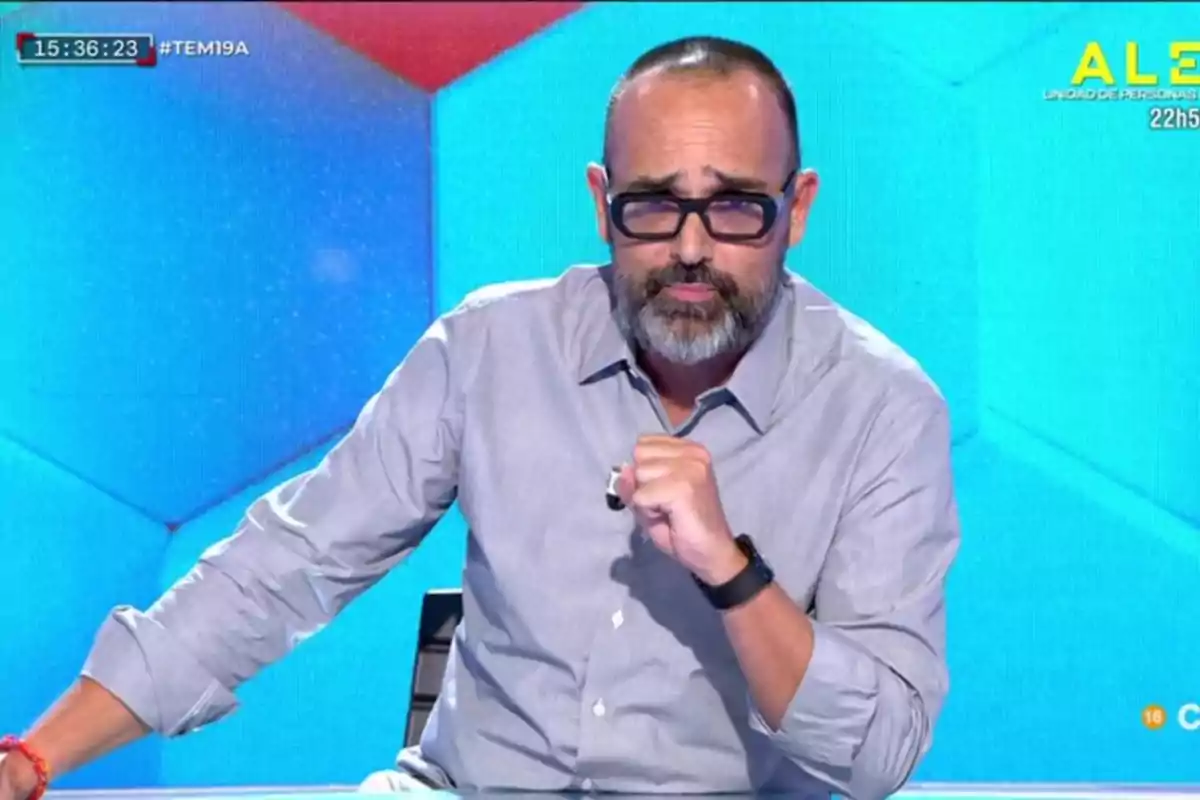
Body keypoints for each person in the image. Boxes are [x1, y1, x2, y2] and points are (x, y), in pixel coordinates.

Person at [0, 35, 960, 800]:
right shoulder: (490, 347)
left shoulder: (883, 408)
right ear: (601, 203)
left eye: (737, 209)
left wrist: (732, 571)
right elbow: (280, 570)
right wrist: (34, 759)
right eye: (653, 209)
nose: (692, 250)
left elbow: (878, 754)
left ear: (797, 208)